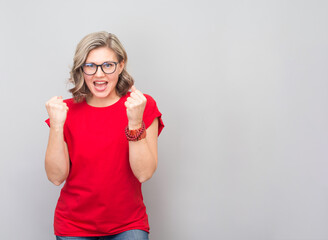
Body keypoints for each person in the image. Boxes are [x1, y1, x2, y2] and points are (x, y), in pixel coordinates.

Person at [44, 31, 164, 240]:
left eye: (107, 65)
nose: (99, 74)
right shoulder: (65, 111)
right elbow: (56, 177)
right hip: (73, 226)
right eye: (90, 66)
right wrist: (56, 126)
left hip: (128, 224)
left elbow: (143, 173)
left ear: (121, 65)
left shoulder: (142, 105)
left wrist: (135, 122)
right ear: (81, 69)